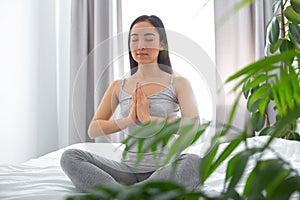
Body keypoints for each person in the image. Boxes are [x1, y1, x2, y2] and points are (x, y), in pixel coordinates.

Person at [60, 15, 201, 192]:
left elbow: (193, 125)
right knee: (70, 156)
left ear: (162, 44)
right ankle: (137, 194)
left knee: (194, 162)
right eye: (134, 39)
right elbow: (94, 129)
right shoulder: (118, 86)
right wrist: (128, 120)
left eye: (149, 38)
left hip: (165, 167)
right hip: (127, 170)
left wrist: (150, 120)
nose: (140, 45)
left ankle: (125, 194)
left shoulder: (179, 83)